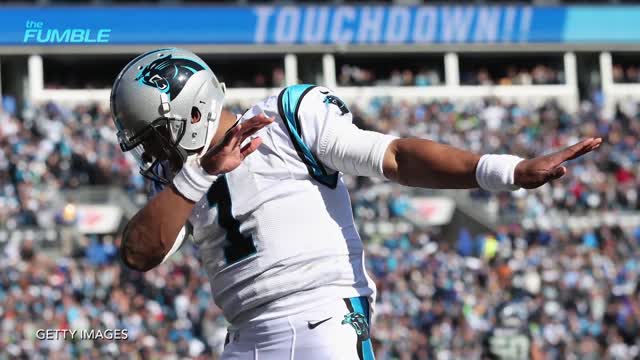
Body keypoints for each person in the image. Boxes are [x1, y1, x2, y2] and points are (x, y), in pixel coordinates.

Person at [110, 48, 601, 360]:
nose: (152, 152)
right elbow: (138, 254)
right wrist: (198, 175)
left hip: (322, 320)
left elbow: (394, 156)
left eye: (154, 137)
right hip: (243, 338)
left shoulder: (286, 117)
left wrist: (505, 170)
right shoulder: (182, 180)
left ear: (193, 113)